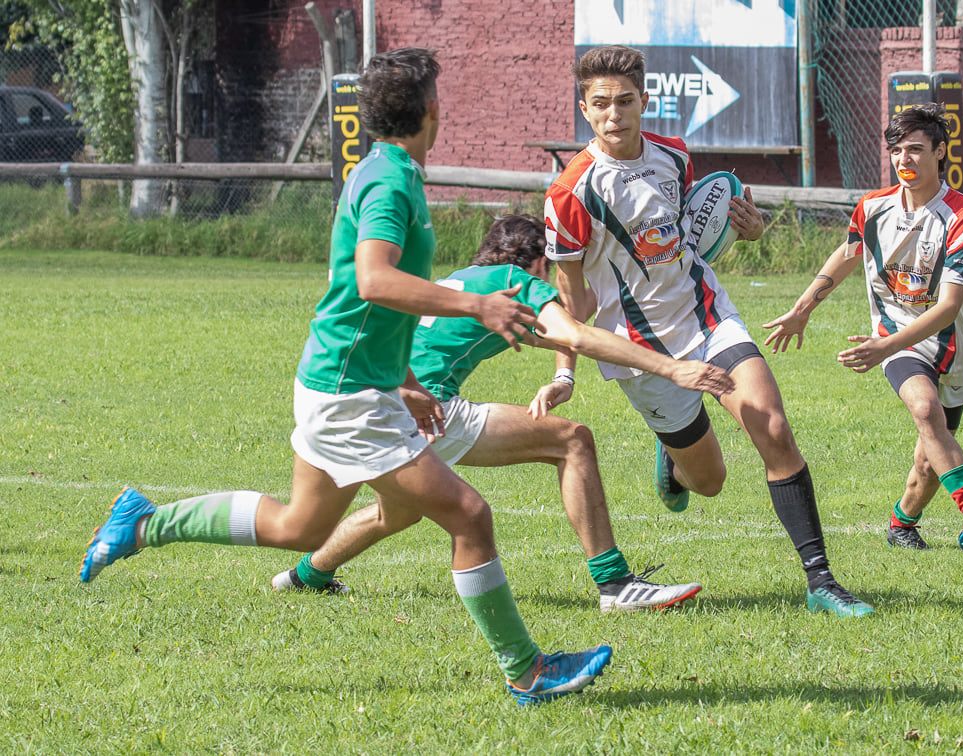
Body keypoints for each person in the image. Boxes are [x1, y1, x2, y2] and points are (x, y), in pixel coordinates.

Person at [79, 48, 612, 706]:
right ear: (431, 110)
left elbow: (370, 305)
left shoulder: (390, 171)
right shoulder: (389, 182)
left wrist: (404, 378)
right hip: (349, 392)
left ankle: (143, 523)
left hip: (348, 378)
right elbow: (373, 281)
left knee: (298, 526)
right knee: (469, 515)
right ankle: (528, 672)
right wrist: (476, 305)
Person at [543, 45, 873, 617]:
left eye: (626, 101)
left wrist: (747, 229)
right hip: (642, 353)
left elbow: (688, 237)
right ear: (584, 108)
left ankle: (821, 582)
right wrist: (564, 372)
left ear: (645, 101)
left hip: (707, 316)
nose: (614, 114)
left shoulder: (673, 155)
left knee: (772, 427)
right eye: (601, 103)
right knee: (710, 481)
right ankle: (673, 462)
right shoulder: (570, 194)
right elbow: (571, 301)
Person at [272, 214, 733, 612]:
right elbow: (574, 332)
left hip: (381, 404)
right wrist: (671, 368)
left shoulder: (464, 280)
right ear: (537, 263)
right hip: (429, 409)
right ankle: (615, 585)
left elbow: (557, 333)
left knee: (397, 513)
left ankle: (304, 576)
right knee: (572, 441)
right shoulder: (514, 282)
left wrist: (563, 377)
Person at [762, 103, 963, 558]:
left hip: (949, 344)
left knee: (928, 461)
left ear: (940, 152)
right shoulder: (873, 207)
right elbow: (848, 253)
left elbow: (950, 307)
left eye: (915, 149)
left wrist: (883, 348)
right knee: (925, 407)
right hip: (895, 335)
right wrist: (803, 309)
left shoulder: (960, 216)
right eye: (896, 150)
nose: (903, 159)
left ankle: (901, 523)